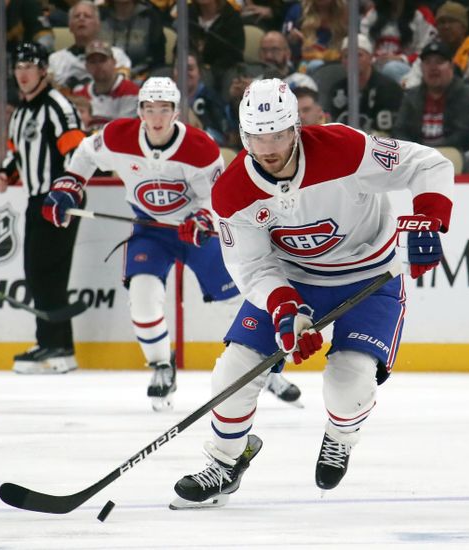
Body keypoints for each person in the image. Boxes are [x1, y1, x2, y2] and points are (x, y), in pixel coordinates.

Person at [170, 78, 453, 508]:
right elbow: (251, 265)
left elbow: (429, 164)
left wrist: (429, 218)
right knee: (233, 371)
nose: (268, 148)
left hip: (370, 276)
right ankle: (227, 463)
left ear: (296, 128)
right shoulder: (231, 191)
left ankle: (340, 436)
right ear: (243, 136)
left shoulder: (344, 148)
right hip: (295, 280)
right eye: (256, 137)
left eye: (279, 135)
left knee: (348, 385)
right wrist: (284, 308)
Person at [42, 76, 301, 411]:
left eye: (164, 109)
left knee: (239, 299)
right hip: (150, 230)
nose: (157, 117)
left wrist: (203, 218)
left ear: (176, 112)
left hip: (196, 232)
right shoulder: (118, 137)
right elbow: (86, 153)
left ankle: (264, 370)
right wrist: (71, 185)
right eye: (150, 109)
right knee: (143, 297)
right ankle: (161, 366)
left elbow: (217, 197)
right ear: (140, 111)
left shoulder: (201, 147)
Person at [0, 43, 86, 375]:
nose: (23, 73)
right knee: (38, 273)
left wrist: (66, 192)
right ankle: (57, 344)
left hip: (60, 198)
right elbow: (18, 152)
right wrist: (5, 172)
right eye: (18, 66)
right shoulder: (21, 112)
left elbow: (76, 152)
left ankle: (55, 345)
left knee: (48, 273)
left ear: (44, 70)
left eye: (30, 66)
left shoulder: (58, 106)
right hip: (36, 200)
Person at [392, 41, 469, 152]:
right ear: (422, 68)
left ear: (451, 66)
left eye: (439, 62)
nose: (433, 68)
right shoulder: (411, 96)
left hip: (453, 154)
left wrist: (430, 151)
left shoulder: (467, 95)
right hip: (417, 156)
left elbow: (463, 135)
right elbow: (399, 131)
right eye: (427, 62)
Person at [48, 1, 132, 91]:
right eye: (77, 16)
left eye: (87, 16)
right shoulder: (56, 59)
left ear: (98, 25)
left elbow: (121, 89)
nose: (81, 19)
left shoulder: (116, 55)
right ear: (70, 26)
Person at [328, 34, 403, 134]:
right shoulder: (337, 90)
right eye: (346, 56)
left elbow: (389, 132)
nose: (352, 60)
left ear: (371, 58)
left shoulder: (389, 89)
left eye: (358, 55)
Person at [72, 40, 140, 131]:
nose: (98, 65)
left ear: (114, 62)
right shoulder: (79, 95)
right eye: (93, 61)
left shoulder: (132, 92)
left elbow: (123, 131)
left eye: (102, 60)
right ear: (86, 66)